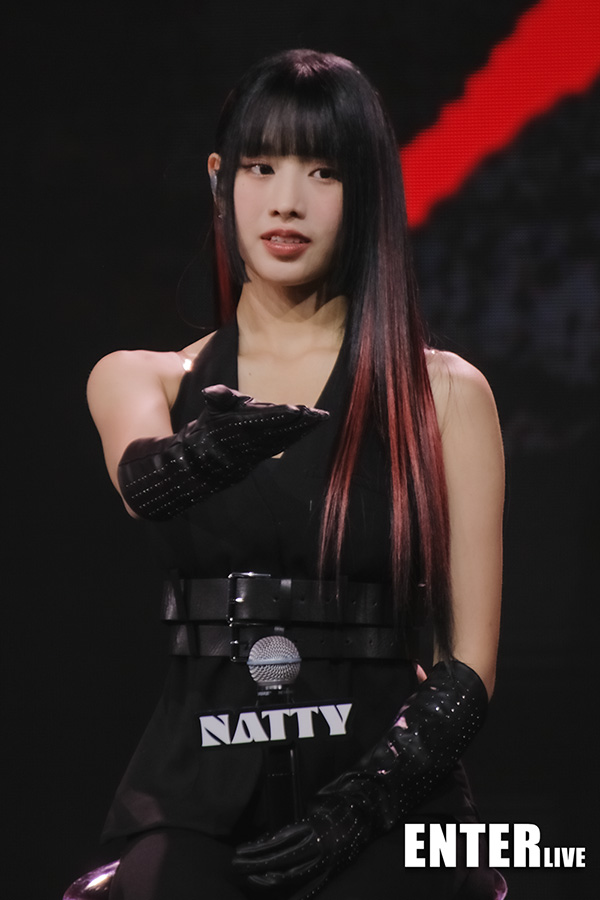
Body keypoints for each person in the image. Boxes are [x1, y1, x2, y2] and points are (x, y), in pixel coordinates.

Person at [86, 49, 507, 900]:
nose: (287, 200)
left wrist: (368, 802)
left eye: (323, 171)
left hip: (385, 796)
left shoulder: (446, 393)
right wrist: (212, 449)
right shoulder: (143, 379)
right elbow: (145, 486)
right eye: (261, 167)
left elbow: (469, 665)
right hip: (198, 790)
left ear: (368, 191)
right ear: (219, 179)